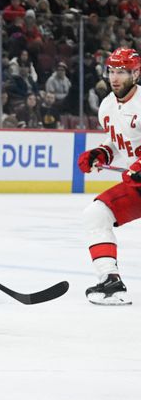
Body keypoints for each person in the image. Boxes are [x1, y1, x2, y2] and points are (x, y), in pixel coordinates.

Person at [77, 48, 141, 306]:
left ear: (135, 73)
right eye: (112, 71)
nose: (115, 78)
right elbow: (117, 141)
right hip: (137, 185)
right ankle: (110, 281)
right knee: (96, 213)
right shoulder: (107, 105)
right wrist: (101, 153)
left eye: (122, 72)